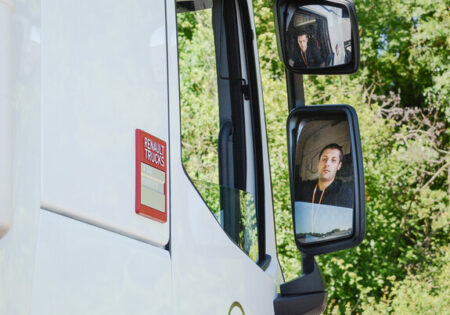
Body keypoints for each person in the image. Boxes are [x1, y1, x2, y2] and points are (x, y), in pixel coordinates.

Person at [295, 143, 353, 208]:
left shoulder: (345, 193)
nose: (327, 164)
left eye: (333, 160)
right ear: (318, 163)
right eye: (324, 159)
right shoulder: (303, 188)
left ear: (339, 166)